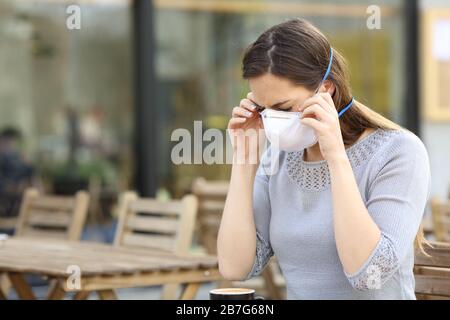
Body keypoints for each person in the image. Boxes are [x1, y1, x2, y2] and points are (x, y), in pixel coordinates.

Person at [217, 19, 431, 299]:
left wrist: (335, 157)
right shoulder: (277, 160)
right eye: (263, 109)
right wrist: (244, 163)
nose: (273, 120)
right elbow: (234, 267)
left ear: (326, 89)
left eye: (283, 107)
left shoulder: (399, 152)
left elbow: (369, 274)